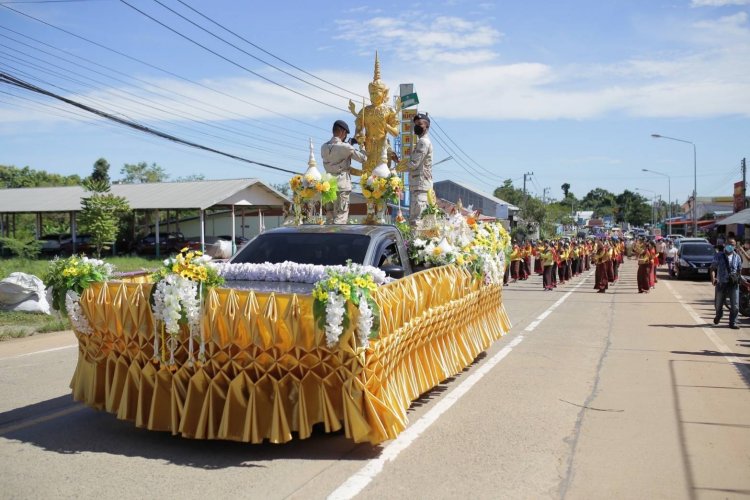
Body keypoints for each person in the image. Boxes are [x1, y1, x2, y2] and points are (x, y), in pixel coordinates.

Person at [321, 120, 366, 224]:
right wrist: (362, 147)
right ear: (342, 132)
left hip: (328, 186)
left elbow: (336, 155)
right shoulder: (346, 147)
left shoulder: (323, 147)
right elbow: (363, 158)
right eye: (345, 133)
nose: (345, 136)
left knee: (329, 218)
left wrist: (348, 144)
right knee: (341, 217)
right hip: (342, 185)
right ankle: (337, 239)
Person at [396, 112, 433, 224]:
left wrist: (396, 168)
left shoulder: (423, 142)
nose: (417, 127)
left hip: (420, 185)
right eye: (415, 124)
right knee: (417, 219)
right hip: (418, 185)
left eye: (420, 124)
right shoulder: (420, 142)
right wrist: (398, 162)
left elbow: (413, 164)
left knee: (417, 220)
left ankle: (415, 242)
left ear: (426, 126)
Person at [710, 238, 742, 329]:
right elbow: (712, 268)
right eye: (729, 244)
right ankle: (719, 315)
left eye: (733, 244)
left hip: (733, 284)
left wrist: (738, 279)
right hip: (721, 283)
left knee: (735, 305)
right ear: (725, 244)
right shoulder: (719, 255)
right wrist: (713, 278)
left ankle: (733, 322)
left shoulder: (737, 257)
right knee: (718, 303)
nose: (730, 246)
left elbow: (739, 270)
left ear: (735, 246)